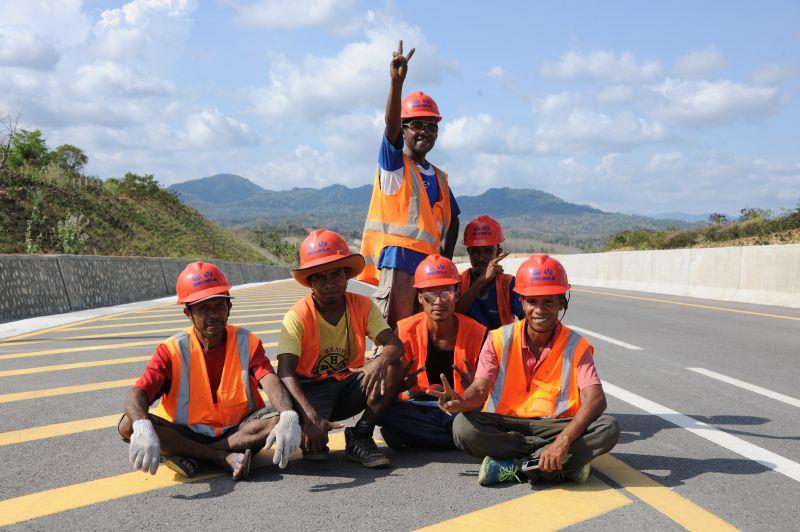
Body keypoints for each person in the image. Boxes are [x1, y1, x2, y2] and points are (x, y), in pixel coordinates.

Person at [428, 255, 620, 486]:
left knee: (608, 428)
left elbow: (596, 399)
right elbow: (479, 389)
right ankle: (559, 465)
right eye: (532, 301)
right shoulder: (499, 338)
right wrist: (460, 401)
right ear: (521, 302)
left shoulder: (575, 345)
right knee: (462, 427)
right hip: (507, 423)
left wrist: (562, 440)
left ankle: (514, 467)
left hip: (555, 425)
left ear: (562, 302)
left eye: (548, 302)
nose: (539, 310)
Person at [119, 261, 301, 481]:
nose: (213, 314)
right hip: (185, 432)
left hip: (238, 431)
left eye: (219, 306)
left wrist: (289, 415)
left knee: (283, 412)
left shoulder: (247, 342)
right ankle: (221, 457)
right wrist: (142, 426)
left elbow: (269, 378)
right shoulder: (172, 350)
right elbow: (137, 393)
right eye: (203, 308)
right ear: (188, 313)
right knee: (129, 424)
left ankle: (195, 455)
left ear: (229, 307)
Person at [277, 229, 407, 468]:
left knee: (393, 365)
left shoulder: (362, 305)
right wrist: (310, 416)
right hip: (311, 390)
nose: (329, 284)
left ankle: (361, 435)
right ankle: (315, 427)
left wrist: (378, 362)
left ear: (347, 275)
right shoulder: (297, 315)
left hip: (347, 384)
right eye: (320, 277)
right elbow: (284, 371)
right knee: (315, 453)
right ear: (310, 282)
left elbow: (395, 344)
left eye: (336, 274)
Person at [359, 40, 461, 329]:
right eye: (416, 124)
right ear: (403, 129)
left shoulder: (438, 176)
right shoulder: (394, 165)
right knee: (396, 334)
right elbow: (389, 127)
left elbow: (454, 220)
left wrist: (447, 259)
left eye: (431, 126)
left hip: (430, 269)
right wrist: (396, 83)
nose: (424, 132)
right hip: (399, 259)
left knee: (421, 334)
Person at [379, 254, 487, 450]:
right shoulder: (405, 329)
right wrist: (400, 385)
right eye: (430, 294)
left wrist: (473, 391)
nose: (438, 301)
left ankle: (416, 436)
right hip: (419, 405)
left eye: (446, 293)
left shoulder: (478, 332)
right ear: (420, 297)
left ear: (456, 294)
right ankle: (452, 439)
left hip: (461, 405)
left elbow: (487, 392)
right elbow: (390, 389)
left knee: (480, 416)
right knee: (382, 409)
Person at [455, 215, 523, 329]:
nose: (481, 257)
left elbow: (528, 318)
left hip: (499, 346)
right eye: (475, 251)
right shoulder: (458, 282)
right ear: (468, 252)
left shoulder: (509, 284)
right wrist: (481, 281)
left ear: (498, 252)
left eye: (488, 251)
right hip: (466, 346)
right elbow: (452, 316)